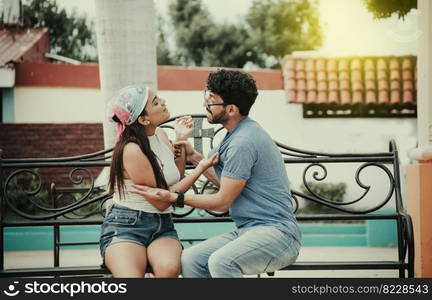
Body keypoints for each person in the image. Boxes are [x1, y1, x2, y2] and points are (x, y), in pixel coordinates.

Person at [131, 69, 302, 278]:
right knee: (190, 260)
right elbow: (227, 183)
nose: (205, 105)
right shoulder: (235, 135)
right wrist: (194, 157)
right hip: (249, 231)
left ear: (230, 109)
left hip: (278, 236)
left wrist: (174, 197)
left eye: (211, 100)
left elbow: (222, 202)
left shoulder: (243, 142)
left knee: (222, 263)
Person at [99, 84, 219, 278]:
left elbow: (174, 179)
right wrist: (201, 168)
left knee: (169, 269)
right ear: (144, 119)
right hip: (126, 226)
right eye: (155, 102)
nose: (163, 102)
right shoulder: (132, 150)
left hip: (161, 225)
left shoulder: (160, 134)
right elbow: (162, 201)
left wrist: (180, 139)